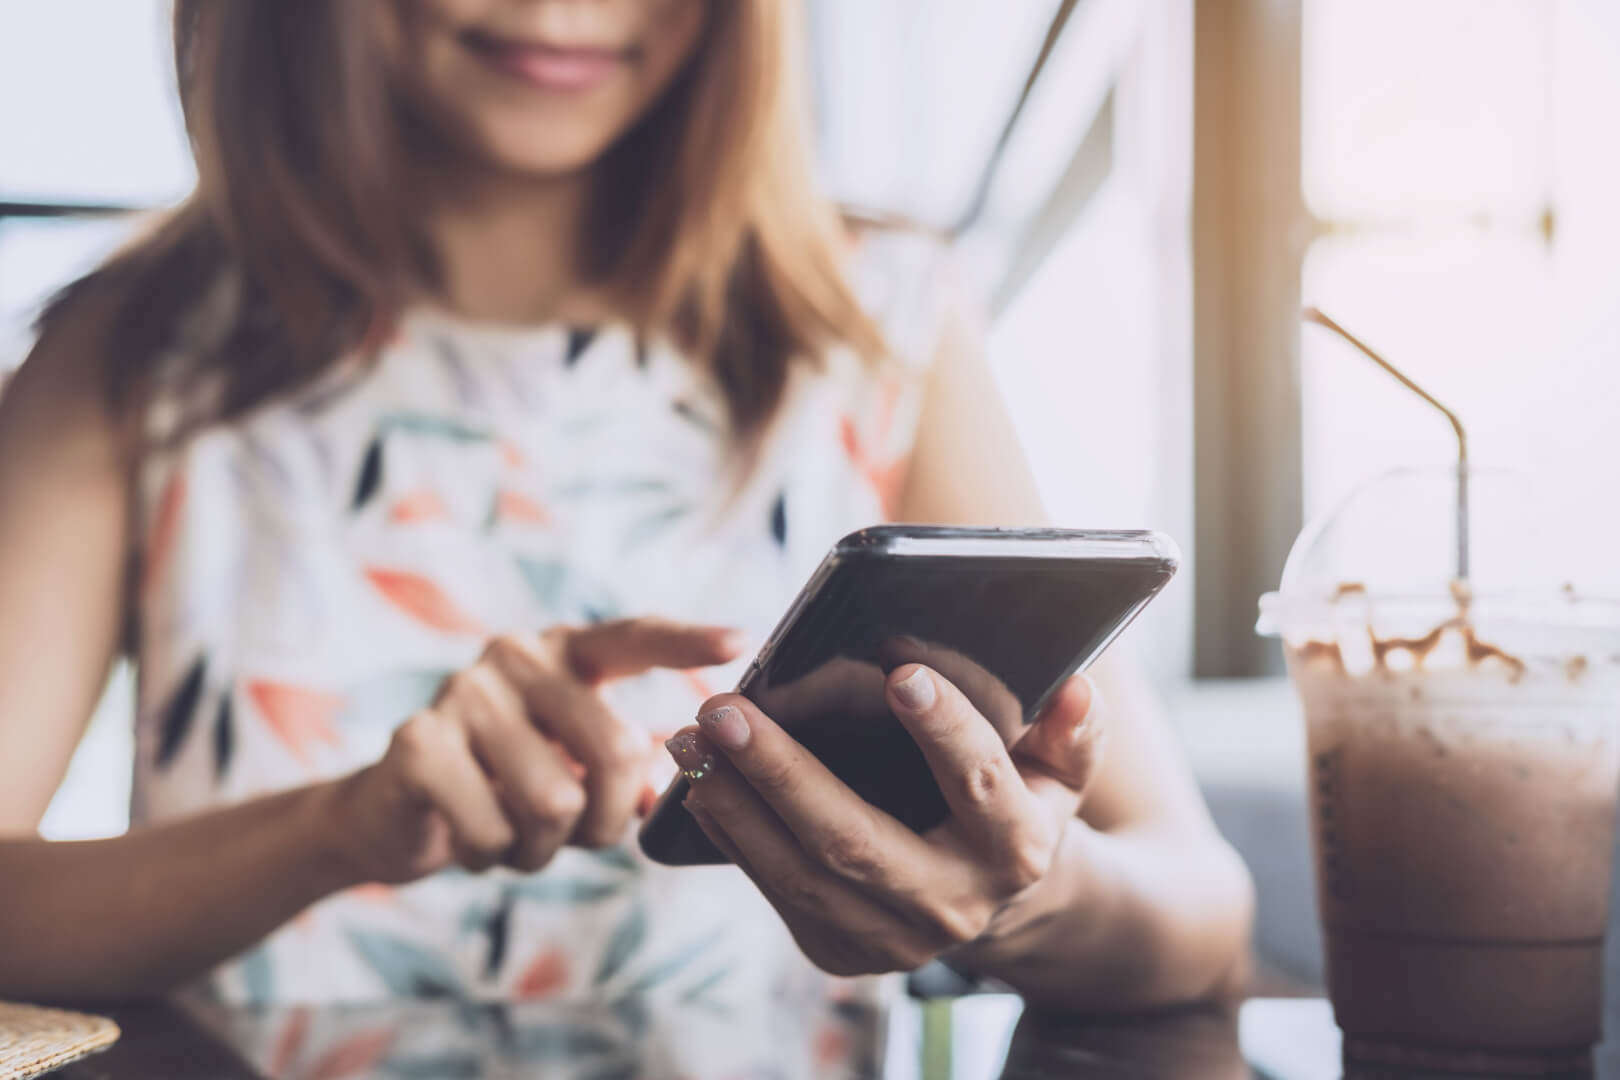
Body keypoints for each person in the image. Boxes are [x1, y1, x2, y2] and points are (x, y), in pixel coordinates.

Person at [0, 0, 1252, 1072]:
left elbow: (1201, 912)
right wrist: (347, 827)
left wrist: (1015, 902)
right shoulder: (131, 347)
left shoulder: (881, 324)